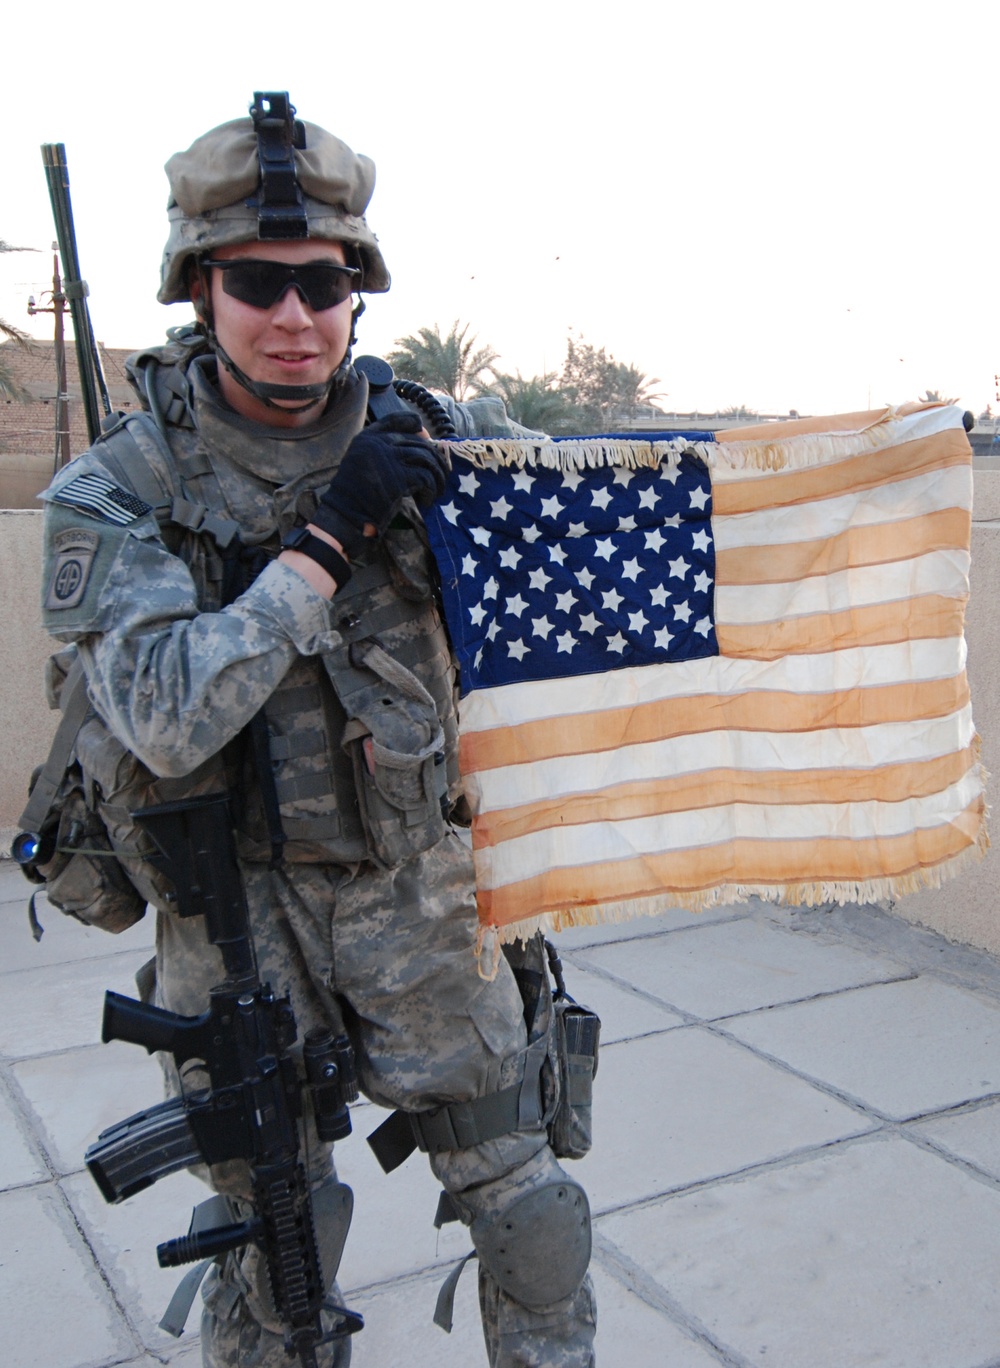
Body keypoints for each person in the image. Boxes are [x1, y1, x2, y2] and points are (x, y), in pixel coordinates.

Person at [37, 93, 596, 1367]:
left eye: (322, 282)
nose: (294, 314)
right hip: (234, 917)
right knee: (277, 1253)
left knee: (532, 1216)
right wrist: (328, 538)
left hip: (421, 896)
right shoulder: (116, 492)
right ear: (200, 288)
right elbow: (172, 717)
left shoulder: (436, 438)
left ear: (358, 291)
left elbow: (595, 507)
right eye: (258, 282)